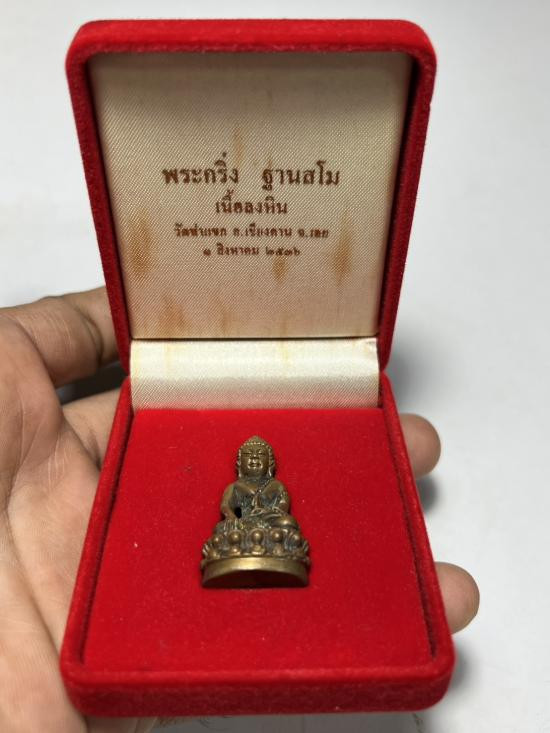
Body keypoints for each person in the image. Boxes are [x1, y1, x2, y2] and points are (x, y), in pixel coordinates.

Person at [0, 287, 479, 732]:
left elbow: (280, 511)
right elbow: (230, 513)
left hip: (269, 533)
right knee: (233, 532)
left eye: (258, 460)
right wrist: (238, 520)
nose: (252, 464)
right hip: (240, 537)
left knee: (283, 524)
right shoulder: (235, 486)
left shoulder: (274, 487)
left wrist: (266, 519)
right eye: (248, 460)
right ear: (240, 462)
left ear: (266, 462)